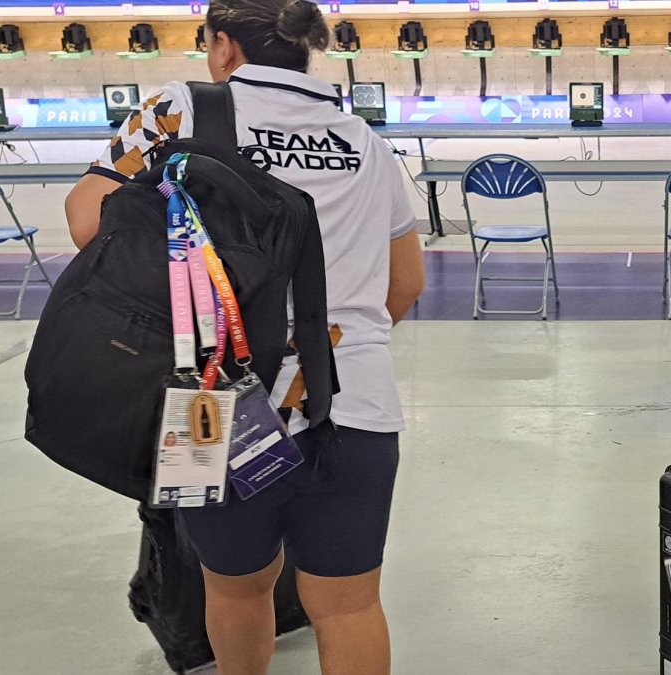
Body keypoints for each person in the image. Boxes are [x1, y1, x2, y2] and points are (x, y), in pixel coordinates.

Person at [63, 1, 425, 673]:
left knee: (233, 588)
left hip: (210, 403)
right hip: (356, 401)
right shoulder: (367, 142)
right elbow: (404, 283)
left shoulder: (178, 108)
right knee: (348, 605)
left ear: (224, 46)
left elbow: (88, 220)